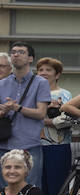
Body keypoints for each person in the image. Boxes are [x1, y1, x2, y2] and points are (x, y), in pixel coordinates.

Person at [0, 41, 52, 186]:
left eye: (21, 52)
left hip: (29, 145)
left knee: (30, 189)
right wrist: (3, 111)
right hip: (4, 145)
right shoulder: (2, 84)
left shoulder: (41, 83)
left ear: (30, 58)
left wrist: (17, 108)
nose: (16, 55)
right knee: (3, 191)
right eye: (13, 52)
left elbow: (41, 113)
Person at [35, 57, 73, 195]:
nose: (43, 73)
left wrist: (40, 119)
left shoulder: (64, 94)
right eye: (40, 70)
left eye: (48, 70)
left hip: (58, 147)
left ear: (57, 74)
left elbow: (67, 119)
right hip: (33, 147)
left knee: (58, 189)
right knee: (37, 189)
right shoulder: (31, 93)